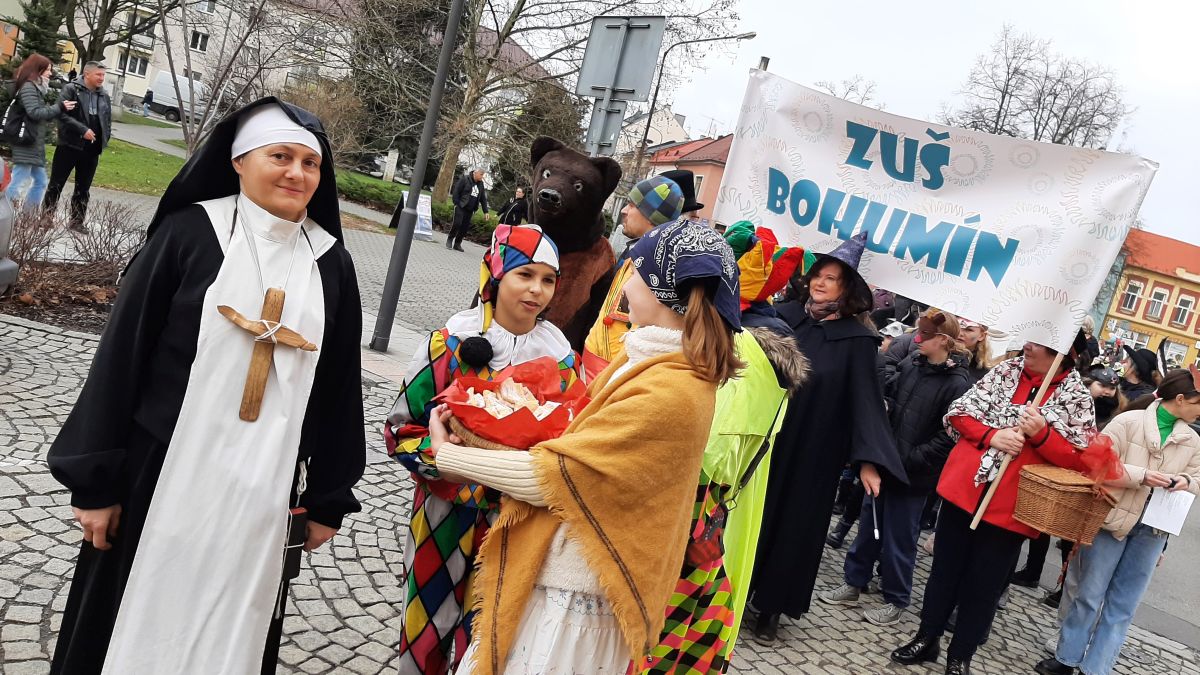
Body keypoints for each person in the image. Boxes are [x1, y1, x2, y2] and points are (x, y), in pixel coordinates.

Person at [47, 98, 366, 674]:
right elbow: (122, 356)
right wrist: (93, 483)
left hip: (264, 491)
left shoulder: (330, 264)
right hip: (160, 476)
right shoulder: (190, 233)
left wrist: (327, 498)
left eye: (311, 164)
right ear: (239, 161)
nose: (297, 174)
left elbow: (340, 391)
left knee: (232, 625)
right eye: (281, 157)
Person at [423, 219, 742, 675]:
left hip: (578, 600)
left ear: (660, 291)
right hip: (567, 581)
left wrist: (450, 454)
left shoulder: (673, 389)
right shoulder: (648, 362)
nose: (624, 282)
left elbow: (557, 478)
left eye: (635, 272)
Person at [385, 223, 579, 675]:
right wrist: (442, 464)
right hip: (443, 514)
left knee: (491, 633)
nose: (536, 290)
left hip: (514, 519)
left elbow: (569, 438)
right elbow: (400, 429)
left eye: (548, 280)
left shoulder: (560, 359)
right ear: (495, 274)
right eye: (524, 275)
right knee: (425, 630)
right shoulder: (448, 343)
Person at [635, 222, 809, 673]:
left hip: (688, 520)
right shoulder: (753, 351)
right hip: (722, 521)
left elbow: (709, 457)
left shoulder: (733, 361)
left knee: (657, 639)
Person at [891, 336, 1096, 675]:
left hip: (1013, 507)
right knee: (944, 572)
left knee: (983, 585)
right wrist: (992, 436)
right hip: (965, 492)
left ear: (1063, 353)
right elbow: (959, 415)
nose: (1028, 346)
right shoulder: (1004, 373)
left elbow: (1079, 459)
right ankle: (926, 638)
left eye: (1040, 342)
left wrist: (1043, 434)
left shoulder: (1076, 399)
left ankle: (961, 655)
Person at [747, 231, 908, 645]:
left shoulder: (858, 341)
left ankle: (772, 610)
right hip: (767, 442)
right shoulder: (781, 317)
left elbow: (866, 404)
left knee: (794, 529)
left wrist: (869, 460)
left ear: (848, 289)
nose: (820, 282)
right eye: (818, 274)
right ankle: (736, 591)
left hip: (814, 455)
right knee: (752, 517)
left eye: (832, 278)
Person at [1037, 368, 1200, 675]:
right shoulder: (1129, 421)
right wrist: (1141, 476)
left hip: (1153, 529)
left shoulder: (1192, 440)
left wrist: (1183, 481)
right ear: (1180, 399)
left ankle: (1096, 668)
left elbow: (1197, 480)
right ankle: (1066, 658)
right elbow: (1096, 464)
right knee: (1089, 593)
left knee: (1124, 604)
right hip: (1109, 519)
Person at [820, 309, 971, 627]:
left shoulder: (958, 384)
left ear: (943, 341)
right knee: (867, 527)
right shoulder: (912, 364)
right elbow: (887, 396)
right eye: (919, 331)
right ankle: (854, 582)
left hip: (914, 475)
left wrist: (911, 458)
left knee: (900, 539)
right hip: (886, 463)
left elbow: (949, 436)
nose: (917, 338)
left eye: (925, 334)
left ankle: (897, 598)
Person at [581, 175, 684, 375]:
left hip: (613, 369)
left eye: (632, 205)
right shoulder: (637, 254)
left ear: (650, 215)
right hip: (596, 362)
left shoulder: (657, 267)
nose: (623, 210)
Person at [4, 54, 83, 211]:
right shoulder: (28, 87)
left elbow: (37, 115)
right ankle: (5, 212)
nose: (50, 73)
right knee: (18, 179)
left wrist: (54, 111)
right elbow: (35, 113)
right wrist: (59, 107)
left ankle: (27, 218)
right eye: (48, 70)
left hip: (33, 142)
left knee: (40, 182)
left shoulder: (35, 88)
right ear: (37, 71)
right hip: (26, 141)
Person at [44, 61, 112, 231]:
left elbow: (107, 120)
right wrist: (82, 130)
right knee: (56, 184)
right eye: (99, 74)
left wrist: (105, 138)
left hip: (92, 149)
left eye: (103, 75)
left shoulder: (104, 95)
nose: (102, 78)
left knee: (84, 188)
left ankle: (77, 222)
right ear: (87, 74)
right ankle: (46, 218)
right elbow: (62, 116)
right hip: (69, 145)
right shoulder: (71, 90)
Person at [447, 167, 488, 251]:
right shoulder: (465, 179)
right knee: (457, 223)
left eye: (483, 175)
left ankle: (457, 244)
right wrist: (456, 203)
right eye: (481, 174)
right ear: (475, 173)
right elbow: (456, 191)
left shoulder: (481, 184)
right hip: (461, 206)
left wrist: (486, 211)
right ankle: (450, 239)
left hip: (470, 209)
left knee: (464, 228)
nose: (482, 177)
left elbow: (483, 198)